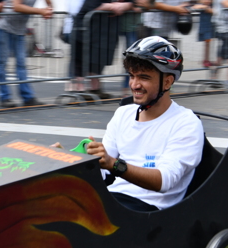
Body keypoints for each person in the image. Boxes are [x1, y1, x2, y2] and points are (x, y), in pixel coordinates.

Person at [85, 36, 204, 212]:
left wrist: (115, 164)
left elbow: (163, 181)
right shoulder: (123, 114)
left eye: (144, 77)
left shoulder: (186, 123)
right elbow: (102, 168)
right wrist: (65, 160)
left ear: (167, 81)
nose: (134, 85)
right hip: (113, 199)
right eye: (132, 76)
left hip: (150, 212)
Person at [0, 0, 53, 108]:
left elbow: (48, 0)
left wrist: (49, 10)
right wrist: (40, 11)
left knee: (21, 63)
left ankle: (27, 97)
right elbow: (16, 6)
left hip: (20, 28)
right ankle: (4, 97)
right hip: (4, 26)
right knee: (2, 63)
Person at [71, 0, 133, 99]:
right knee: (81, 60)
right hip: (83, 29)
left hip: (101, 32)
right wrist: (114, 6)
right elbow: (94, 5)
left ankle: (95, 89)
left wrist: (124, 6)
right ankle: (80, 91)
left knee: (98, 61)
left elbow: (130, 2)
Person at [120, 0, 158, 95]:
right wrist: (132, 5)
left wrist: (146, 5)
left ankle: (127, 88)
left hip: (134, 27)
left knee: (133, 58)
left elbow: (152, 5)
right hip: (118, 24)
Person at [62, 0, 87, 92]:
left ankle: (78, 83)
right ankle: (71, 83)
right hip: (72, 29)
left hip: (81, 29)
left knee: (80, 57)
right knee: (74, 57)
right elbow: (76, 12)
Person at [193, 0, 215, 69]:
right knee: (207, 45)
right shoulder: (202, 6)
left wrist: (207, 8)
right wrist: (204, 6)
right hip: (204, 28)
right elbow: (195, 6)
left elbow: (214, 11)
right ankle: (205, 60)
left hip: (210, 27)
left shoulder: (211, 6)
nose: (208, 1)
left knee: (208, 45)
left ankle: (207, 59)